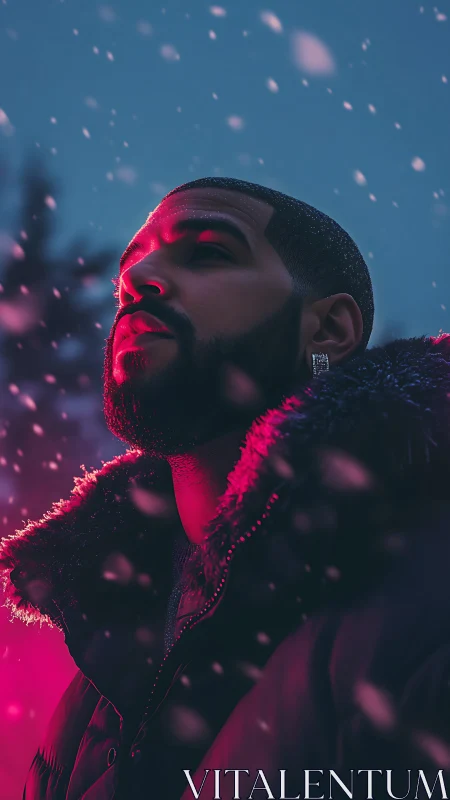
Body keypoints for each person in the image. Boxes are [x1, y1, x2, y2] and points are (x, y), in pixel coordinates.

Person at [2, 176, 450, 800]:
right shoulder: (94, 679)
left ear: (326, 333)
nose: (138, 279)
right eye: (129, 268)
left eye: (209, 251)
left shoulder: (427, 596)